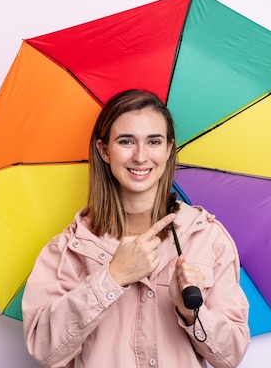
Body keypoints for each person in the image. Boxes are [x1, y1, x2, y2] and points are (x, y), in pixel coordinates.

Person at [22, 89, 250, 367]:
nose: (141, 156)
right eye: (126, 141)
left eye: (154, 141)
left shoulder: (206, 238)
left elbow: (230, 356)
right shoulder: (69, 249)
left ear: (168, 149)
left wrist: (192, 312)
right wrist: (112, 277)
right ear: (104, 150)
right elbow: (44, 350)